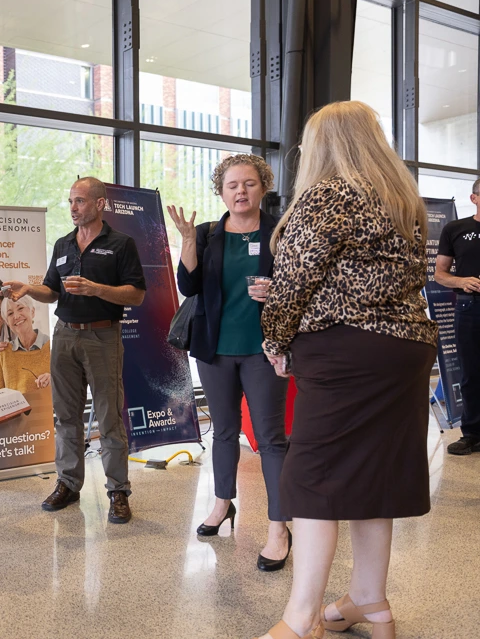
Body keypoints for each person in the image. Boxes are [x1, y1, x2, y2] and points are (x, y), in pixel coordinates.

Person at [255, 101, 437, 639]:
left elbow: (293, 280)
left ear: (322, 146)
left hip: (346, 350)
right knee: (371, 475)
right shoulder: (403, 201)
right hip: (404, 351)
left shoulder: (328, 195)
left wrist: (276, 339)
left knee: (311, 478)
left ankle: (302, 616)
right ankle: (369, 601)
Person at [168, 153, 291, 572]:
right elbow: (188, 285)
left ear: (264, 187)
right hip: (215, 349)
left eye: (249, 184)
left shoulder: (280, 232)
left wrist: (278, 290)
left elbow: (300, 282)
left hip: (264, 349)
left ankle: (279, 526)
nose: (241, 191)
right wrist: (186, 242)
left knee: (272, 439)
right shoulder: (206, 234)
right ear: (221, 191)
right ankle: (223, 503)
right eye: (233, 185)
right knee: (223, 431)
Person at [5, 176, 145, 524]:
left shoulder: (121, 243)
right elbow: (53, 292)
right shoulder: (63, 244)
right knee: (65, 416)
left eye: (80, 201)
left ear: (100, 204)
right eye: (70, 201)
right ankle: (68, 483)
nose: (72, 208)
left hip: (102, 338)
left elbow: (136, 294)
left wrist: (97, 289)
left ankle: (117, 490)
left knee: (109, 418)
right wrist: (29, 289)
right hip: (64, 336)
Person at [434, 177, 480, 455]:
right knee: (471, 372)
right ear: (474, 197)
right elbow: (440, 273)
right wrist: (461, 281)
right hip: (470, 307)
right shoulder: (455, 229)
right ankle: (472, 432)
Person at [0, 294, 50, 394]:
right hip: (16, 410)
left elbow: (67, 386)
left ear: (32, 312)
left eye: (20, 308)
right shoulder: (5, 353)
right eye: (10, 314)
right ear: (7, 323)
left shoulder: (51, 346)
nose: (16, 316)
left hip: (48, 409)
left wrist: (53, 380)